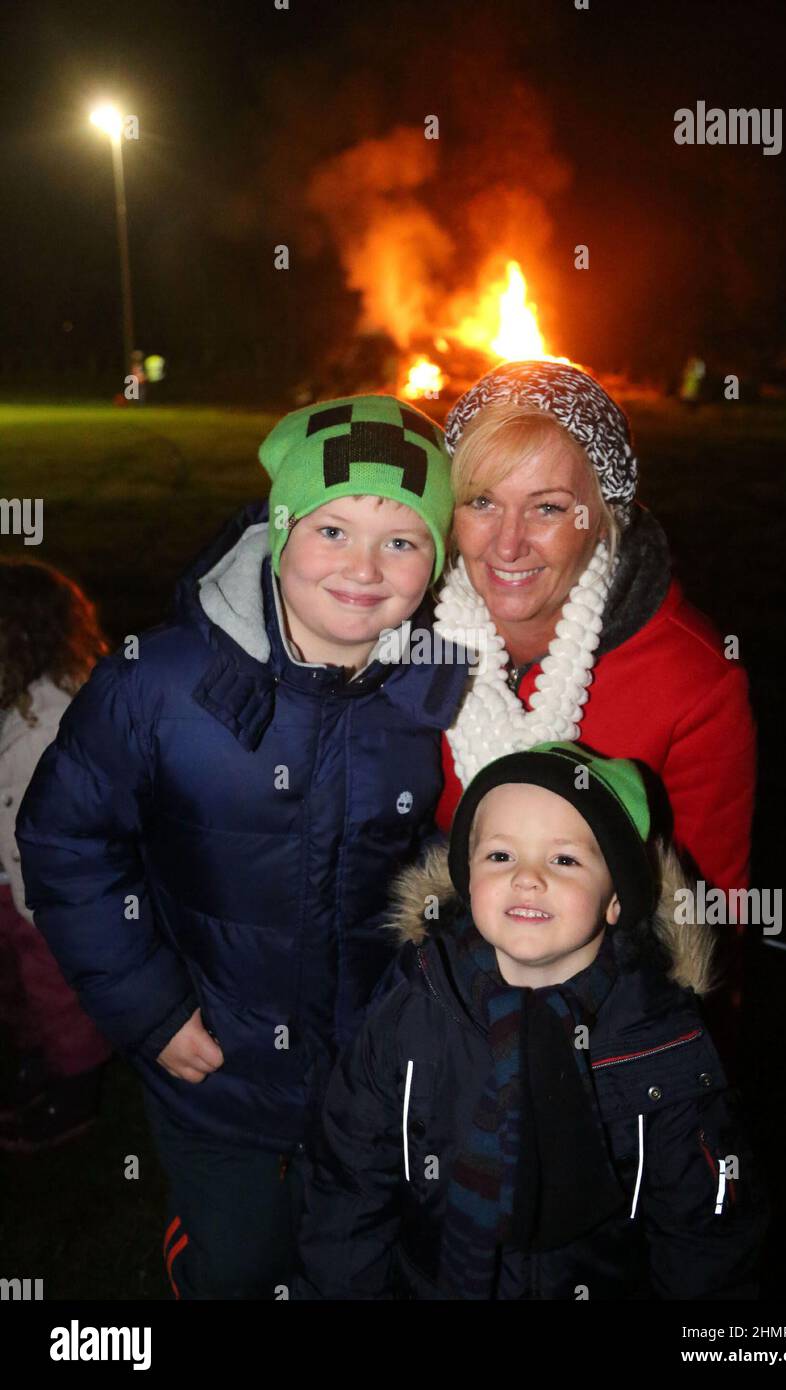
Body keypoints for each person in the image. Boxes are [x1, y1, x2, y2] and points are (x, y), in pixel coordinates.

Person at [16, 395, 470, 1299]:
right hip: (211, 1065)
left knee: (350, 1263)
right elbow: (65, 838)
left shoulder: (449, 690)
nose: (363, 568)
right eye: (333, 528)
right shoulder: (162, 682)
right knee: (241, 1264)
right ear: (280, 527)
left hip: (371, 1078)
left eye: (403, 540)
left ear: (437, 560)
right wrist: (149, 1009)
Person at [294, 742, 768, 1300]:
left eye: (564, 859)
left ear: (616, 898)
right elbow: (348, 1180)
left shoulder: (661, 1043)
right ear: (466, 881)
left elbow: (705, 1237)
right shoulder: (415, 1002)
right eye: (500, 856)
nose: (527, 878)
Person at [432, 360, 756, 1062]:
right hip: (432, 1015)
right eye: (482, 501)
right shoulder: (404, 632)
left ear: (604, 513)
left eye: (547, 507)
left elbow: (708, 929)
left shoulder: (695, 682)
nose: (508, 542)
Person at [0, 560, 113, 1151]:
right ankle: (43, 1064)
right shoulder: (16, 700)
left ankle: (73, 1095)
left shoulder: (49, 717)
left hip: (51, 898)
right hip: (19, 886)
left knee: (58, 994)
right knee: (24, 987)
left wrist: (43, 908)